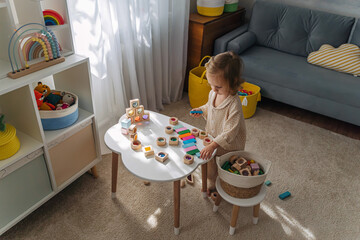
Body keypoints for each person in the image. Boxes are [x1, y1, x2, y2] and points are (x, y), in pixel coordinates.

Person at [190, 51, 246, 196]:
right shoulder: (213, 93)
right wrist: (201, 110)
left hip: (229, 144)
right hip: (213, 136)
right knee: (207, 157)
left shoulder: (234, 104)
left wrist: (214, 144)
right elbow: (209, 106)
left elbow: (230, 132)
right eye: (211, 85)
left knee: (215, 159)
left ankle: (217, 183)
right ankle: (212, 179)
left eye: (218, 87)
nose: (213, 89)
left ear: (233, 82)